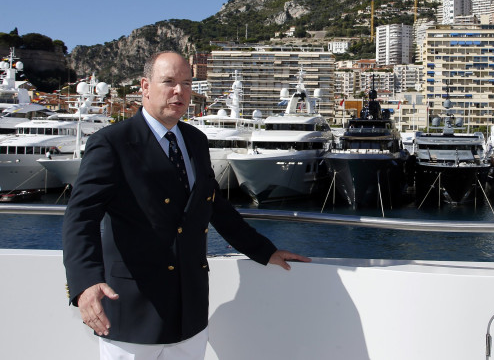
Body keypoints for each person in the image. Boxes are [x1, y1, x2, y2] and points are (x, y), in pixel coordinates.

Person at [62, 51, 310, 359]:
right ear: (145, 86)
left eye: (187, 83)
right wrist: (85, 284)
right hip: (133, 312)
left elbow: (214, 206)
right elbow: (80, 219)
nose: (179, 91)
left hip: (189, 312)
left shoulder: (195, 139)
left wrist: (264, 250)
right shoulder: (112, 143)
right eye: (168, 82)